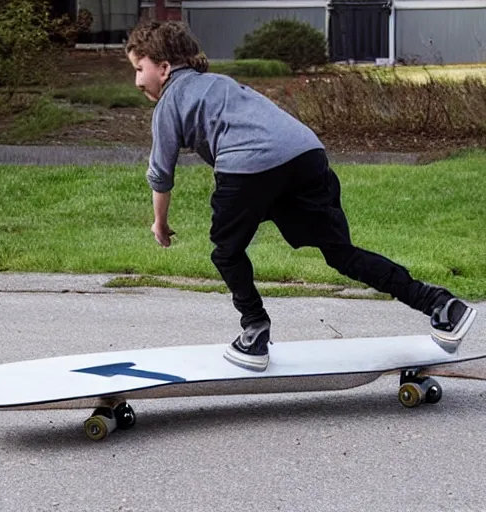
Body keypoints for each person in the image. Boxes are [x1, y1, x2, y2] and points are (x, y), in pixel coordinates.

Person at [125, 20, 477, 372]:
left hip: (250, 166)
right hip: (305, 154)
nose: (137, 80)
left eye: (140, 69)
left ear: (165, 67)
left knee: (226, 250)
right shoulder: (222, 84)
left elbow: (161, 173)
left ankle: (254, 330)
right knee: (341, 253)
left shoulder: (170, 101)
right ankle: (441, 305)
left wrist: (160, 223)